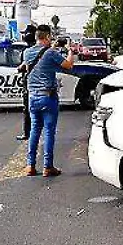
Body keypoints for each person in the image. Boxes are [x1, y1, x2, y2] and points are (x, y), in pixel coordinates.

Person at [22, 25, 74, 177]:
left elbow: (40, 56)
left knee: (34, 131)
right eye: (50, 37)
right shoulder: (51, 53)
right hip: (48, 97)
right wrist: (71, 52)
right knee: (49, 132)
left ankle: (30, 165)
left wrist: (53, 46)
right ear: (46, 37)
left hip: (32, 97)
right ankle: (47, 167)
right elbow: (68, 65)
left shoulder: (27, 52)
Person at [16, 23, 38, 141]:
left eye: (25, 33)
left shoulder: (27, 51)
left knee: (28, 109)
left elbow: (23, 67)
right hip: (40, 85)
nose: (24, 35)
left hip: (30, 84)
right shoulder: (43, 49)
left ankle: (27, 133)